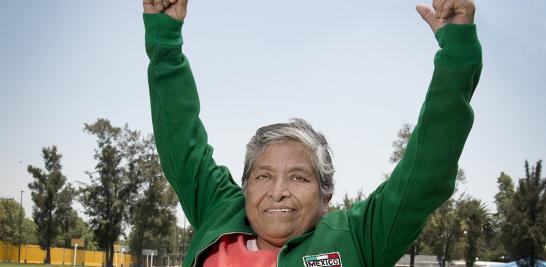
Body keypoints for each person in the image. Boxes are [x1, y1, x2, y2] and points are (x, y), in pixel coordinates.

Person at [142, 0, 482, 266]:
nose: (278, 192)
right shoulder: (220, 210)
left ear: (326, 196)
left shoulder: (358, 237)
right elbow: (179, 136)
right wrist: (165, 38)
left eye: (299, 178)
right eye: (263, 176)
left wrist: (457, 53)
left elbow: (424, 174)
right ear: (245, 187)